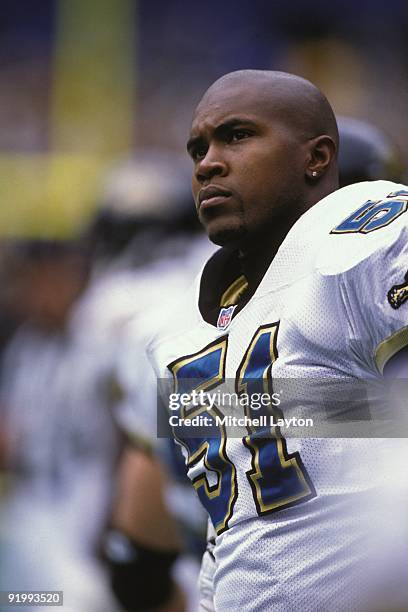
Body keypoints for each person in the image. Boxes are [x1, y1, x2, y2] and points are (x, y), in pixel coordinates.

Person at [147, 70, 408, 611]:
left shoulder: (362, 237)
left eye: (238, 135)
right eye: (198, 148)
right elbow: (235, 533)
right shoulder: (180, 335)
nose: (208, 163)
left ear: (316, 158)